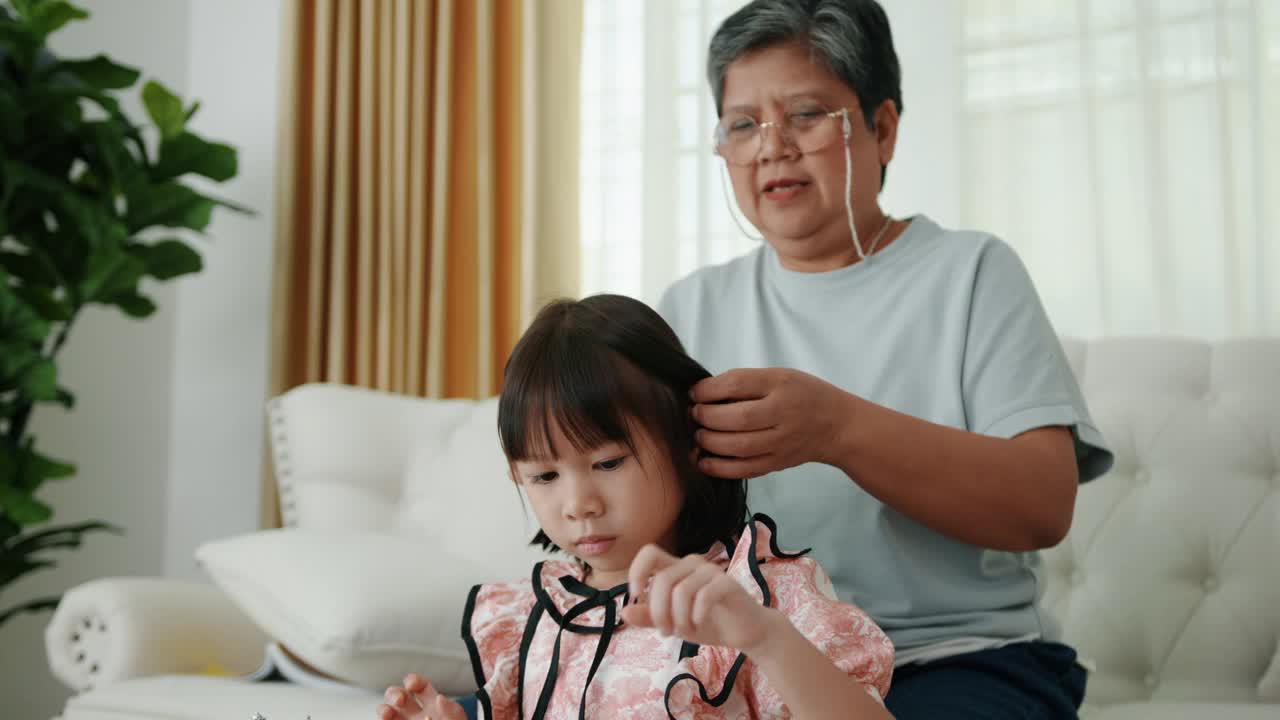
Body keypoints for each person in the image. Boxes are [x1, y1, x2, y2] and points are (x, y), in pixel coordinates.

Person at [656, 1, 1115, 718]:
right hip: (750, 663)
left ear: (884, 128)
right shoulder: (689, 309)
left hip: (955, 658)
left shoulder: (970, 274)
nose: (772, 146)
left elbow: (1042, 505)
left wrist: (835, 429)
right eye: (743, 124)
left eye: (805, 114)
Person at [376, 294, 895, 720]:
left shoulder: (755, 593)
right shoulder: (535, 615)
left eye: (608, 463)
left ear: (687, 446)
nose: (579, 505)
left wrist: (766, 638)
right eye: (545, 476)